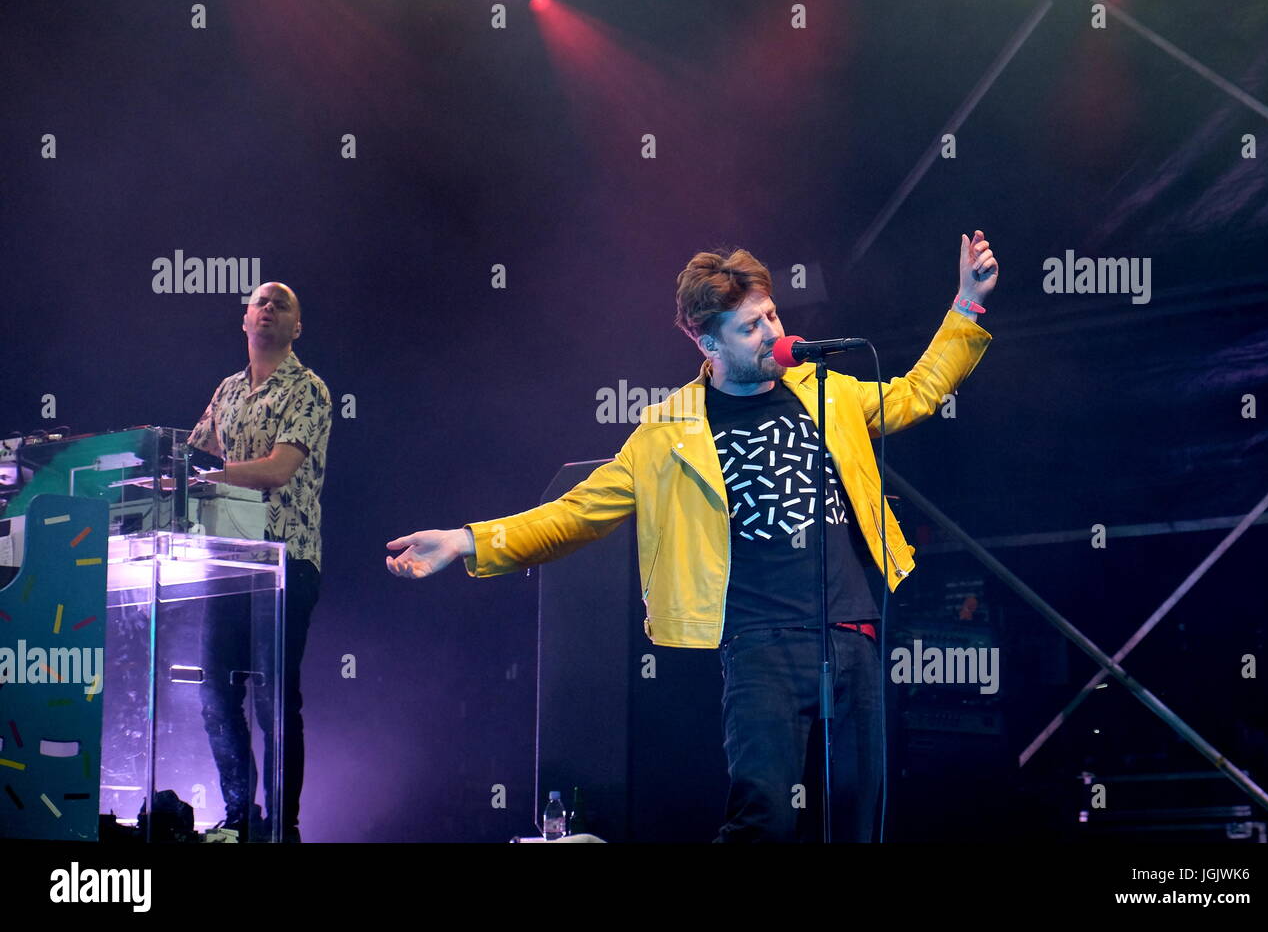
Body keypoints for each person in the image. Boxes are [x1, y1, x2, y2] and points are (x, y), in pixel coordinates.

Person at [387, 234, 997, 841]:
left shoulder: (825, 390)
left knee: (861, 815)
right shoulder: (667, 431)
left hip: (851, 632)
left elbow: (918, 393)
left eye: (771, 315)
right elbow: (575, 513)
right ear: (708, 343)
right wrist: (466, 540)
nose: (772, 332)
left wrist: (966, 303)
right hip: (760, 645)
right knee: (763, 817)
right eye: (750, 327)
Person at [187, 281, 331, 842]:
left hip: (285, 562)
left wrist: (212, 475)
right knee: (215, 693)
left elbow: (276, 469)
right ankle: (241, 817)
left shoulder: (308, 389)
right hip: (227, 562)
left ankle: (282, 829)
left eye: (281, 304)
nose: (268, 308)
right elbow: (193, 454)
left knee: (275, 700)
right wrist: (170, 472)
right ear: (245, 320)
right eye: (260, 303)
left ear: (297, 327)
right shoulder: (227, 390)